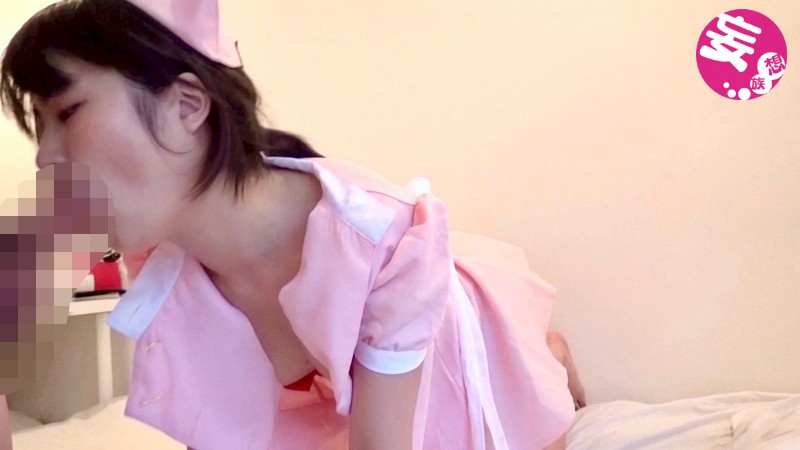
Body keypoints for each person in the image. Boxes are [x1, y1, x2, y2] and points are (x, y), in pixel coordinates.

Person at [0, 0, 585, 448]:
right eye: (40, 127)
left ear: (187, 105)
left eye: (67, 112)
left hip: (445, 346)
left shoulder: (376, 242)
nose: (45, 156)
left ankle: (546, 352)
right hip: (337, 381)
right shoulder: (162, 267)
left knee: (533, 414)